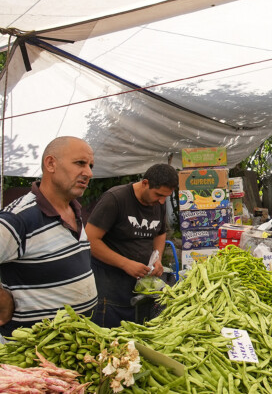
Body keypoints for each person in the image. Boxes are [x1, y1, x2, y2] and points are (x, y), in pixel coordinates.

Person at [0, 137, 98, 336]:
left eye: (90, 165)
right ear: (51, 163)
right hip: (32, 356)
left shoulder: (75, 211)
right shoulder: (18, 219)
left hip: (73, 347)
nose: (88, 173)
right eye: (80, 163)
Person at [86, 164, 178, 328]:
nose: (162, 201)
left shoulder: (159, 201)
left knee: (136, 333)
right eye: (158, 195)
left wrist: (156, 257)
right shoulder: (115, 199)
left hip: (139, 285)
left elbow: (160, 233)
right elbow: (90, 240)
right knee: (111, 335)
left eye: (166, 196)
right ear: (145, 183)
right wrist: (125, 264)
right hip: (110, 285)